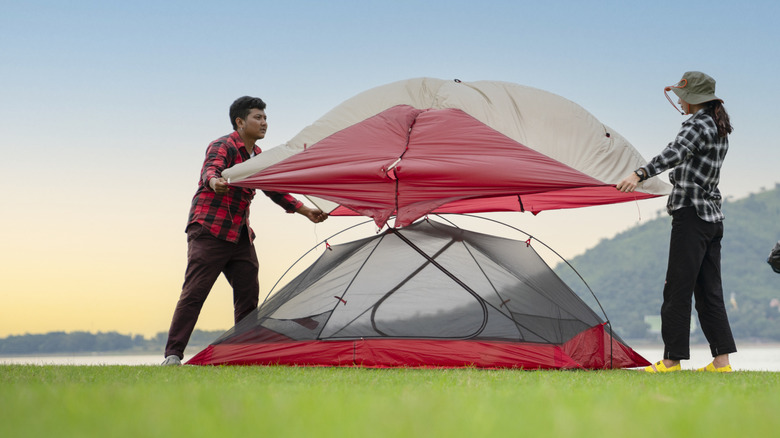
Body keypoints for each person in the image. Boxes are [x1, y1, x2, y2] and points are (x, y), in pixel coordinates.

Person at [162, 96, 328, 366]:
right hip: (209, 230)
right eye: (258, 118)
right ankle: (173, 355)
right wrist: (215, 182)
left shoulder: (258, 156)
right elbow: (211, 169)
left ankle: (243, 354)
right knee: (195, 293)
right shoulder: (223, 145)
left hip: (239, 234)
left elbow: (272, 188)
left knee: (248, 295)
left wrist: (305, 210)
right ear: (240, 122)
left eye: (265, 118)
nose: (264, 123)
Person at [616, 71, 737, 373]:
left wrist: (639, 174)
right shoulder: (718, 124)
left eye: (682, 96)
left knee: (677, 290)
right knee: (709, 291)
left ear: (693, 98)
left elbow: (674, 153)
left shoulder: (698, 124)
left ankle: (671, 361)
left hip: (691, 215)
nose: (680, 101)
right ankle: (721, 363)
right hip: (712, 217)